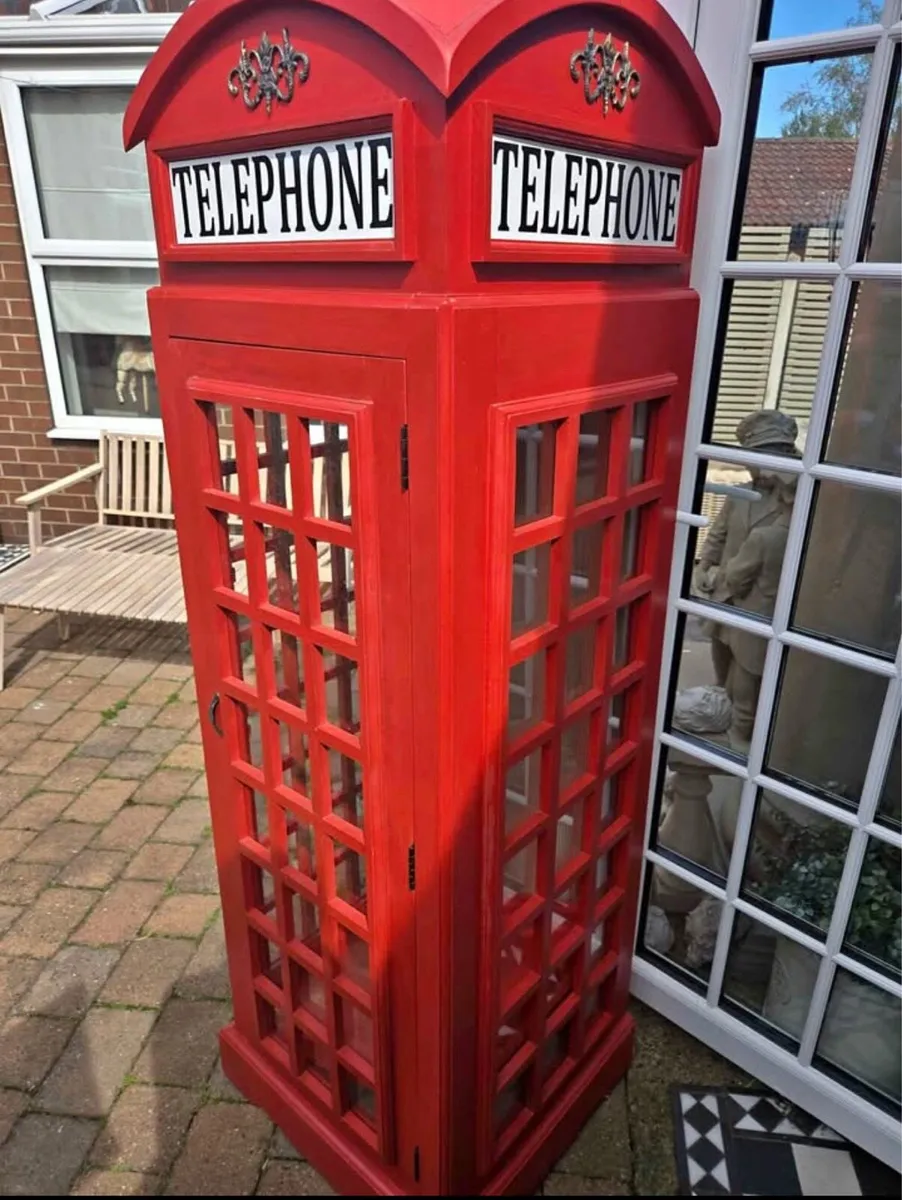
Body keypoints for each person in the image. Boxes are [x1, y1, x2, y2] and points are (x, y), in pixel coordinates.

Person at [692, 410, 799, 749]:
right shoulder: (739, 494)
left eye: (766, 460)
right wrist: (702, 565)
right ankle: (721, 716)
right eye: (753, 460)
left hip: (760, 606)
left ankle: (742, 733)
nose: (757, 469)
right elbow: (717, 536)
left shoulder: (799, 500)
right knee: (722, 665)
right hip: (725, 599)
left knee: (747, 678)